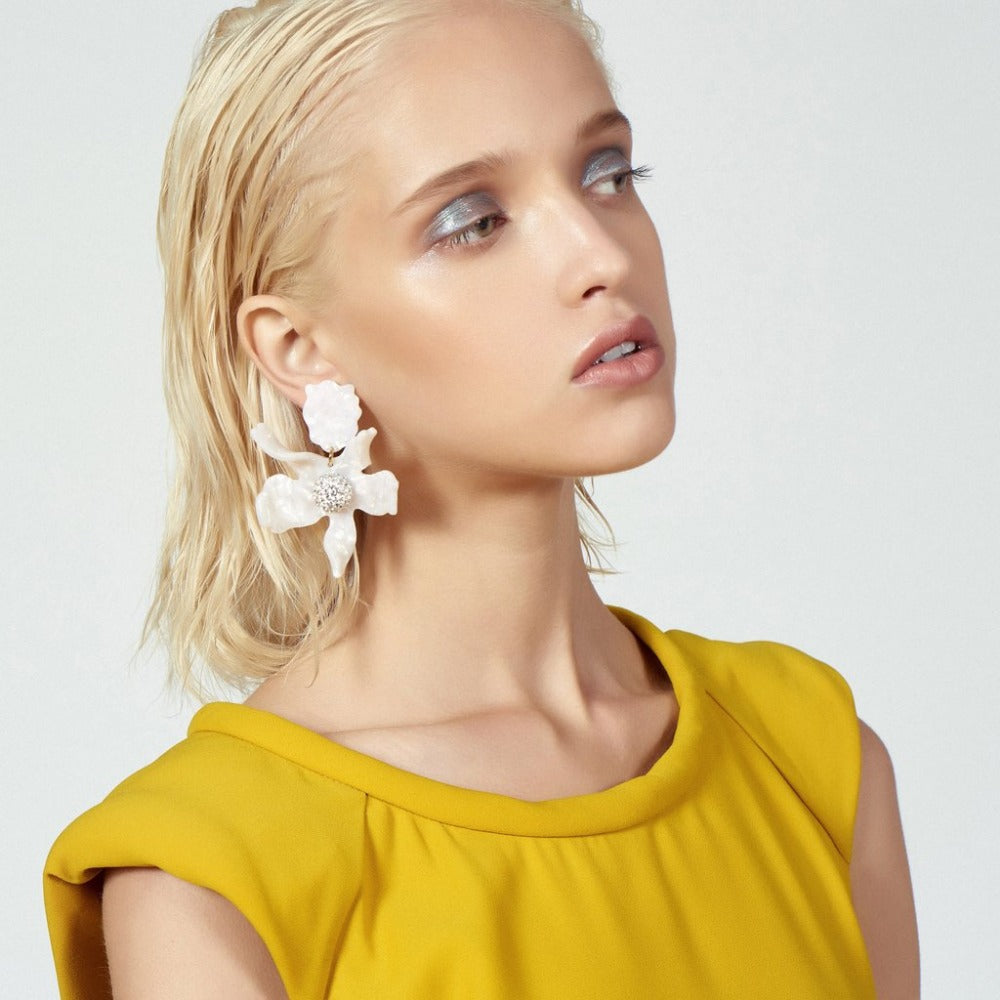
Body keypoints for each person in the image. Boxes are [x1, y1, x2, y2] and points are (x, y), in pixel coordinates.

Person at [42, 1, 920, 997]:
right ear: (300, 346)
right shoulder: (216, 876)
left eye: (608, 172)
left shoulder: (810, 754)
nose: (601, 256)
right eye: (471, 222)